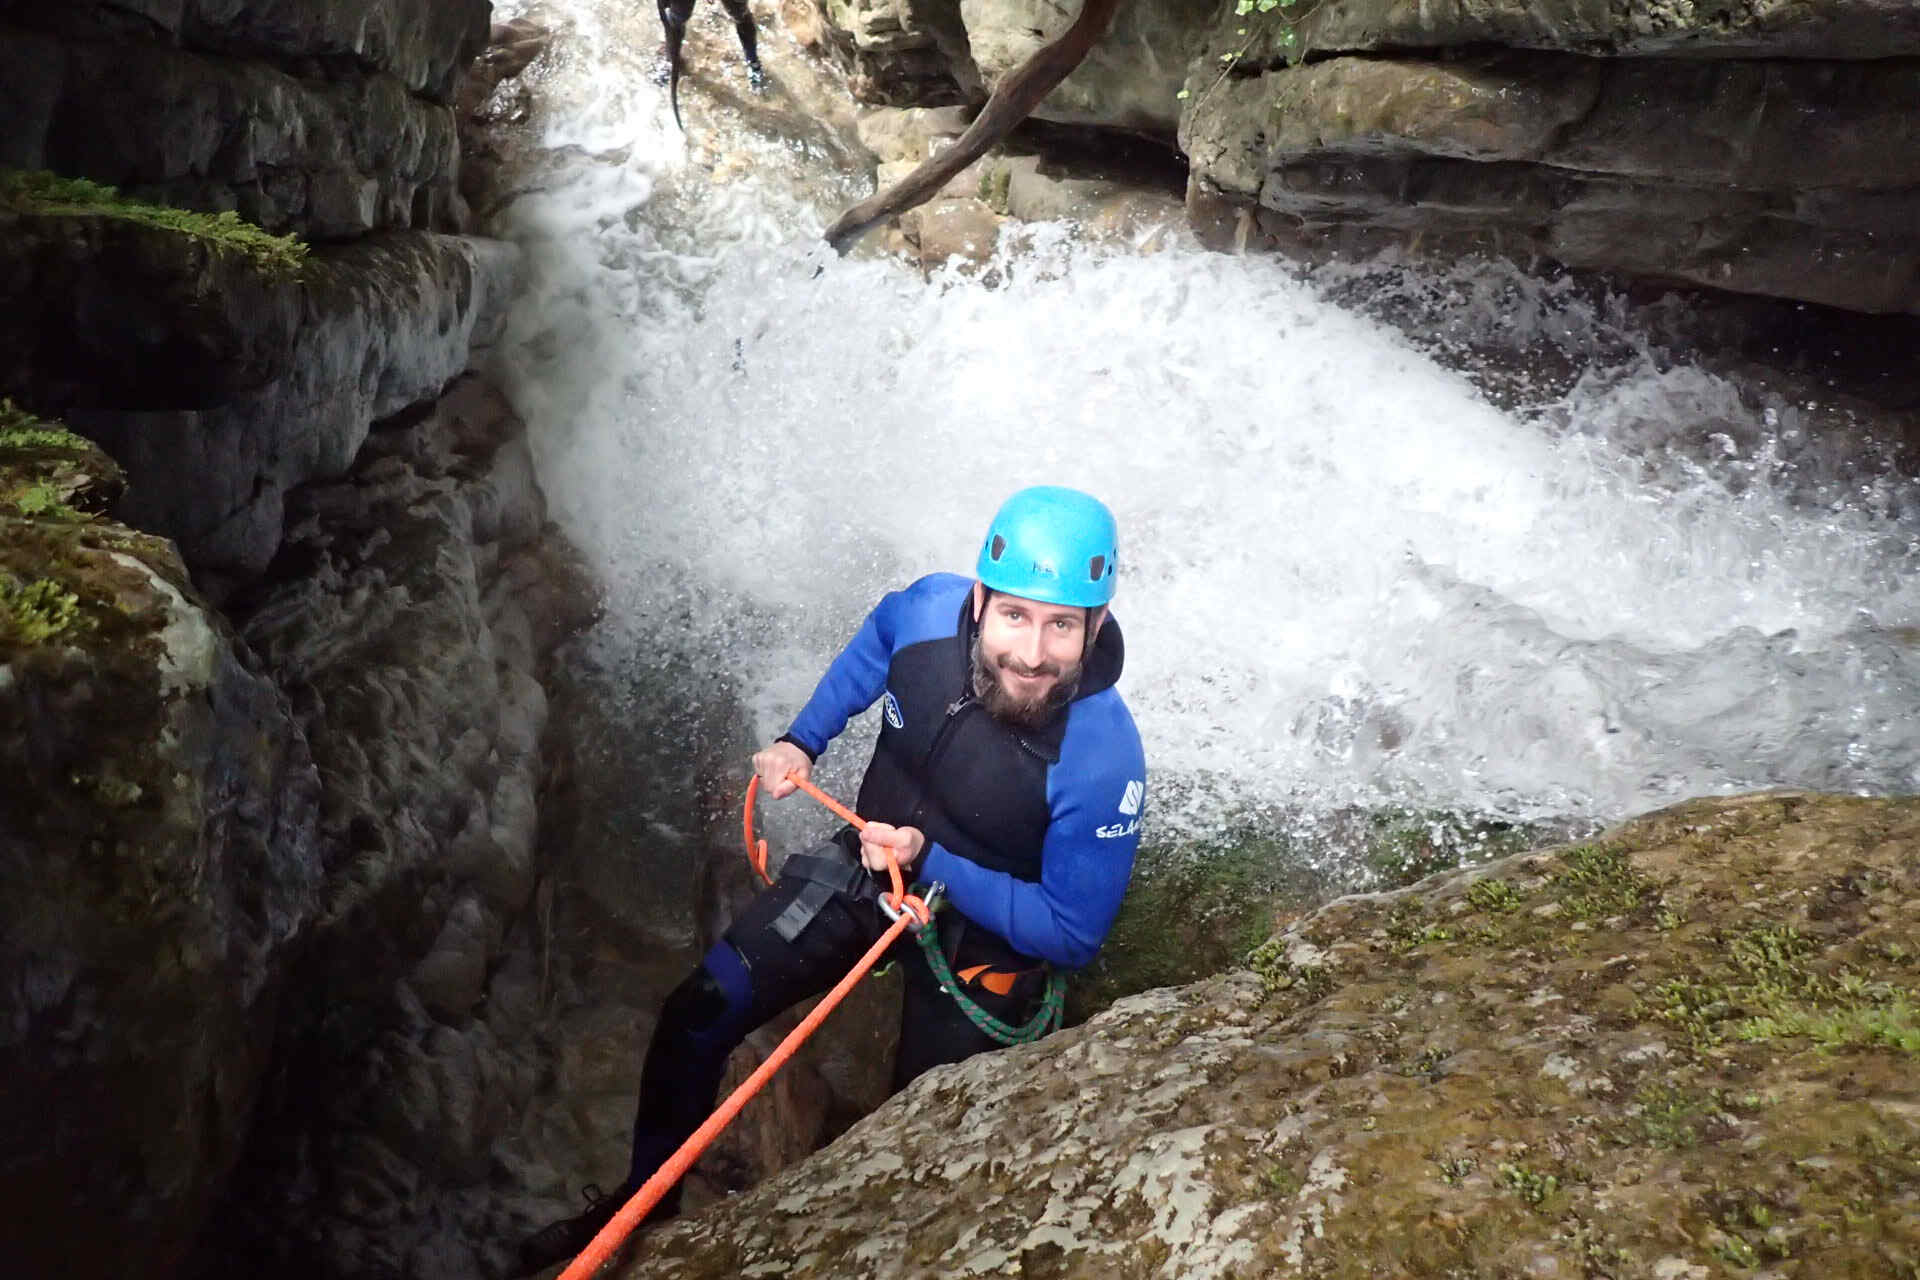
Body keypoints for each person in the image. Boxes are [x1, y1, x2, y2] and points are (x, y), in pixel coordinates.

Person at [517, 486, 1146, 1273]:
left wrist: (933, 860)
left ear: (1096, 627)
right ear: (980, 599)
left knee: (924, 1147)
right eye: (1016, 615)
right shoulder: (923, 617)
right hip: (870, 868)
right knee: (695, 1015)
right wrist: (803, 738)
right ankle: (644, 1212)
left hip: (985, 941)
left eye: (1063, 627)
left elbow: (1072, 932)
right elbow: (874, 644)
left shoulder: (1102, 757)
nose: (1032, 653)